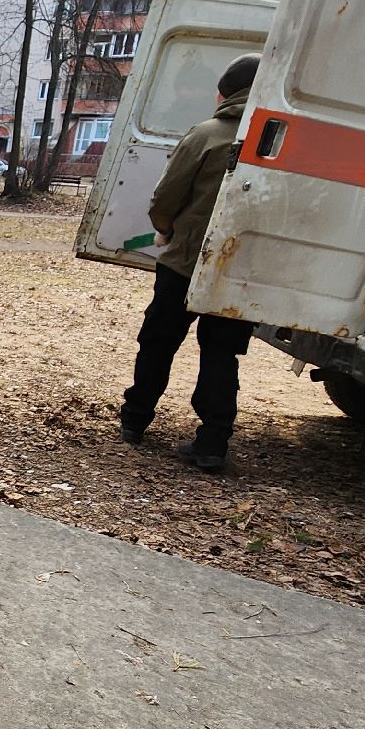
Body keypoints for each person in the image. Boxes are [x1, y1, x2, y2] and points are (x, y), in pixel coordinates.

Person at [118, 53, 260, 473]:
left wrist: (165, 229)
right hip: (240, 270)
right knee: (221, 354)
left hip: (184, 262)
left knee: (158, 341)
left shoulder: (206, 135)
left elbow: (166, 197)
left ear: (224, 93)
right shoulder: (281, 143)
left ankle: (135, 419)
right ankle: (213, 442)